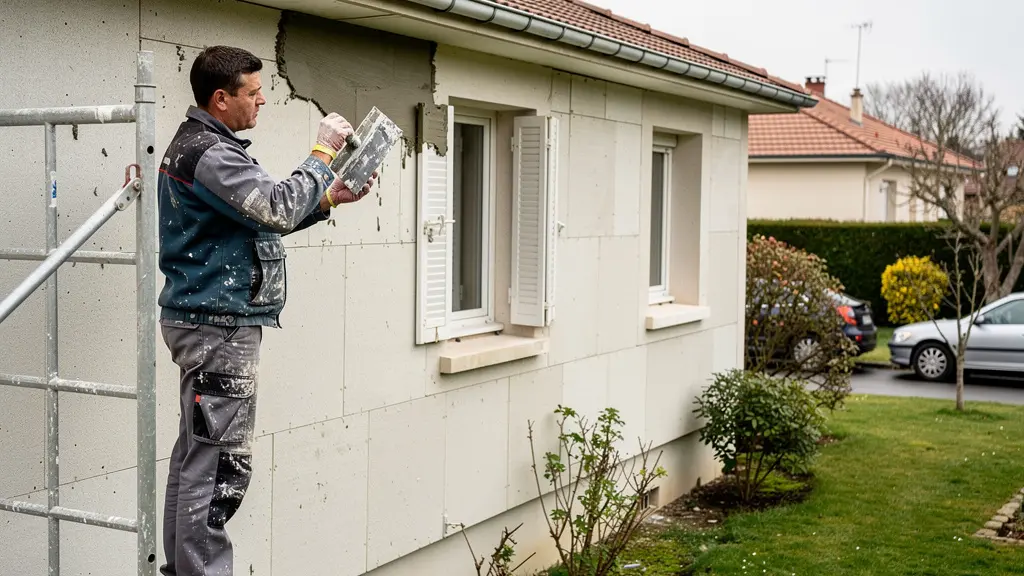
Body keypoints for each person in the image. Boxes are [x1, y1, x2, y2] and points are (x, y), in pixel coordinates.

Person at [155, 45, 373, 576]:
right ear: (221, 98)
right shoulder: (210, 152)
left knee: (196, 460)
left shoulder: (209, 149)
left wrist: (326, 201)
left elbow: (260, 218)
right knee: (219, 468)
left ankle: (183, 570)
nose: (263, 100)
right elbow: (274, 206)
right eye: (254, 92)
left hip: (213, 321)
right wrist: (322, 154)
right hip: (220, 327)